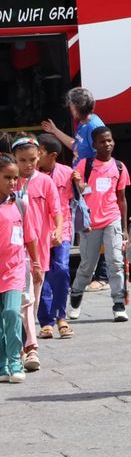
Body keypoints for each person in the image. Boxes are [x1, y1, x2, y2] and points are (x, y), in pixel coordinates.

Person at [42, 86, 110, 294]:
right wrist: (54, 131)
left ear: (76, 107)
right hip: (81, 182)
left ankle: (103, 275)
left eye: (71, 105)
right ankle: (94, 273)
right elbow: (76, 147)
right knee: (87, 227)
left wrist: (89, 183)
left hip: (89, 184)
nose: (69, 108)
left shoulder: (94, 126)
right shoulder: (83, 124)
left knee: (97, 225)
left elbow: (100, 156)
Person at [68, 125, 130, 323]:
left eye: (110, 140)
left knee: (115, 262)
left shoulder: (119, 167)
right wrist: (79, 183)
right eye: (102, 141)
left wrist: (125, 229)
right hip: (90, 223)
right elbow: (75, 190)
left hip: (112, 219)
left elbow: (121, 198)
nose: (107, 144)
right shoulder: (85, 165)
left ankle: (119, 304)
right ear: (94, 145)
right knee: (88, 265)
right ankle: (76, 297)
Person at [12, 137, 56, 370]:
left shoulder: (45, 182)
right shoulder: (10, 186)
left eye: (31, 159)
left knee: (30, 301)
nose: (27, 165)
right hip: (9, 256)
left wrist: (58, 232)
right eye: (22, 161)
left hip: (33, 251)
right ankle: (24, 347)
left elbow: (55, 210)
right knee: (19, 303)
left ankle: (28, 346)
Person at [34, 133, 74, 340]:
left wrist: (80, 182)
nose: (35, 157)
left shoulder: (67, 173)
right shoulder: (32, 176)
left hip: (63, 228)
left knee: (61, 268)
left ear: (52, 155)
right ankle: (46, 322)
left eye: (39, 153)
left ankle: (61, 316)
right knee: (41, 274)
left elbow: (80, 195)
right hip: (40, 231)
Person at [0, 151, 33, 383]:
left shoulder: (19, 203)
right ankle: (2, 365)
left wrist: (37, 262)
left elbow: (28, 236)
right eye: (7, 178)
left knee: (12, 312)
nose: (12, 182)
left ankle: (14, 360)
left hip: (14, 269)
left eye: (15, 178)